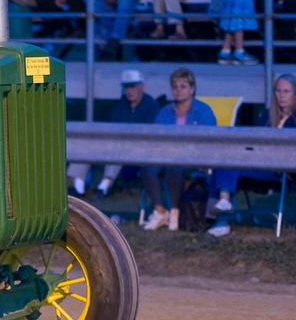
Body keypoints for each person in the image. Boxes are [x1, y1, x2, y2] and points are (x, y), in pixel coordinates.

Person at [205, 73, 296, 237]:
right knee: (224, 161)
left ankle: (220, 217)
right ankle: (222, 214)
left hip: (283, 171)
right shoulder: (266, 116)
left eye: (286, 91)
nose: (281, 95)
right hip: (260, 164)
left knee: (229, 162)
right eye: (278, 91)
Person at [141, 68, 217, 231]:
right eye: (175, 87)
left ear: (192, 89)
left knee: (174, 166)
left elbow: (209, 140)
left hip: (195, 159)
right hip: (166, 156)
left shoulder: (203, 111)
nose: (178, 90)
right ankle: (160, 210)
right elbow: (155, 137)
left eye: (183, 86)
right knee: (148, 166)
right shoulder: (164, 112)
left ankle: (175, 211)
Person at [67, 69, 158, 197]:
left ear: (141, 86)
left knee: (117, 146)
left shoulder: (151, 105)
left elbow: (150, 133)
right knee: (90, 143)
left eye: (132, 86)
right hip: (119, 143)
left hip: (141, 148)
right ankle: (77, 183)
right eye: (126, 87)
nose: (129, 91)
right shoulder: (121, 106)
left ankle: (105, 185)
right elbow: (112, 128)